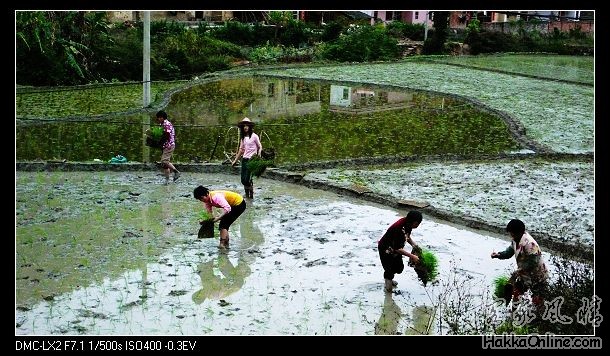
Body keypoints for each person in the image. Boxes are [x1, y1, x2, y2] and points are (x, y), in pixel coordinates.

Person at [491, 219, 549, 307]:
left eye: (511, 233)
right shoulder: (515, 240)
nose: (510, 235)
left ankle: (539, 316)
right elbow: (509, 252)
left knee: (537, 300)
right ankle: (513, 314)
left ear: (517, 233)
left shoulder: (530, 244)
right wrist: (498, 255)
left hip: (537, 276)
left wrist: (518, 271)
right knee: (516, 293)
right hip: (524, 275)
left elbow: (533, 262)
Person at [378, 210, 423, 292]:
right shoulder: (399, 227)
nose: (417, 226)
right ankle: (388, 288)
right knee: (389, 269)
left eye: (418, 224)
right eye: (416, 224)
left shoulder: (408, 224)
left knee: (399, 268)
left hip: (395, 249)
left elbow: (407, 236)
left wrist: (413, 245)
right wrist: (412, 256)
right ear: (411, 221)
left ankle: (389, 278)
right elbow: (397, 249)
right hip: (386, 249)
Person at [231, 117, 262, 199]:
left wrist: (258, 155)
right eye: (244, 126)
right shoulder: (243, 137)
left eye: (247, 125)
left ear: (250, 127)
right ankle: (247, 194)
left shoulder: (255, 136)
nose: (245, 127)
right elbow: (241, 150)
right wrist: (235, 161)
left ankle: (251, 196)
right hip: (244, 159)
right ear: (242, 127)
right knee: (243, 179)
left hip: (251, 160)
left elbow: (260, 146)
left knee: (248, 179)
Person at [156, 110, 180, 184]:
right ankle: (167, 180)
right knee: (164, 165)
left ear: (163, 117)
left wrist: (159, 142)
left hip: (169, 145)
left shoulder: (166, 124)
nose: (158, 119)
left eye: (159, 117)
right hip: (165, 145)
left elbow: (166, 135)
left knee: (164, 161)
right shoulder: (162, 124)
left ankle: (176, 172)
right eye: (158, 118)